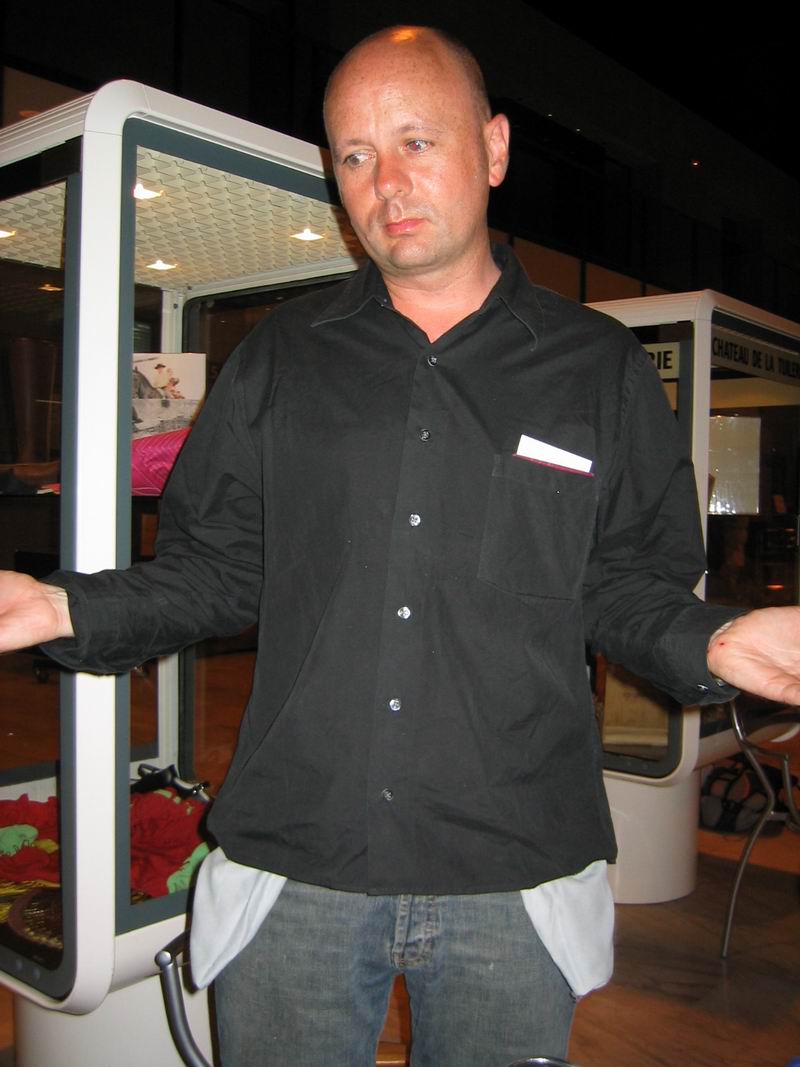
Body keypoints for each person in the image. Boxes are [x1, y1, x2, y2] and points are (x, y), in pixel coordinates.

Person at [2, 24, 800, 1067]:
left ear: (495, 148)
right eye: (354, 154)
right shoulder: (282, 358)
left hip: (512, 873)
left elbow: (623, 583)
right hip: (299, 864)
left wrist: (715, 640)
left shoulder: (597, 369)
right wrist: (60, 607)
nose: (386, 182)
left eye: (417, 141)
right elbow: (218, 569)